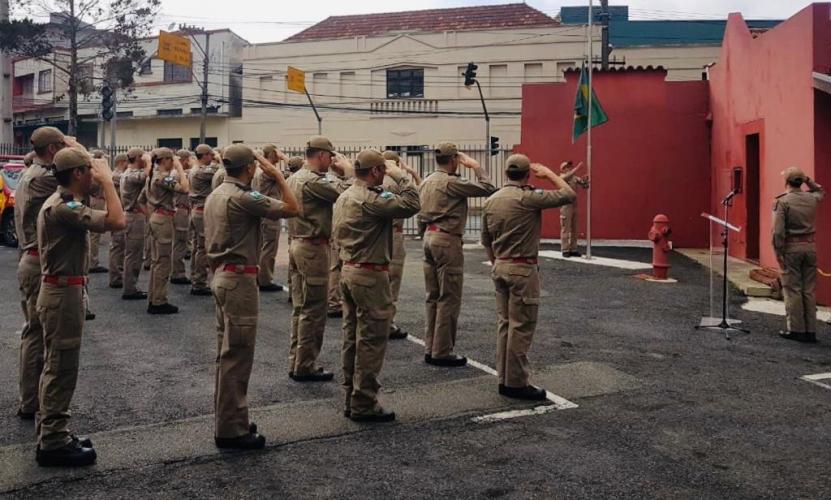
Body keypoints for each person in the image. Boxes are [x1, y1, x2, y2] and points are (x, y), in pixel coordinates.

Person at [35, 147, 125, 466]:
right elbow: (117, 220)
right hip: (62, 297)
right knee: (61, 367)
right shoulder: (65, 207)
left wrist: (94, 172)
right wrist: (109, 182)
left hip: (62, 293)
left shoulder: (65, 202)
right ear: (77, 174)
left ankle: (53, 431)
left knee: (57, 366)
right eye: (89, 170)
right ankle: (53, 442)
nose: (94, 174)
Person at [204, 144, 298, 449]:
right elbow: (293, 208)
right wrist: (279, 177)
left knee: (227, 354)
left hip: (222, 275)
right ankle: (232, 430)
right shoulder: (244, 197)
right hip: (238, 281)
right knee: (238, 356)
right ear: (249, 168)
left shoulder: (216, 193)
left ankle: (230, 419)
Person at [333, 150, 420, 422]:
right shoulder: (372, 198)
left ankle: (351, 395)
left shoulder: (345, 195)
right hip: (369, 276)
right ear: (374, 172)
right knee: (371, 340)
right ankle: (364, 402)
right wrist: (400, 174)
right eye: (382, 169)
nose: (385, 173)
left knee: (351, 337)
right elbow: (412, 204)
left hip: (349, 270)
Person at [481, 155, 576, 400]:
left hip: (500, 265)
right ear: (527, 175)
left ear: (506, 173)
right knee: (521, 326)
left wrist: (496, 263)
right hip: (522, 268)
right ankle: (516, 382)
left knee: (505, 324)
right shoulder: (528, 197)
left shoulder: (492, 200)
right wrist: (550, 174)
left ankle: (504, 378)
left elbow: (486, 240)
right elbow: (569, 195)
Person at [418, 143, 496, 367]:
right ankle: (442, 351)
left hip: (428, 237)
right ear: (453, 160)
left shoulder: (426, 180)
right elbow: (487, 187)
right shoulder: (452, 183)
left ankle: (430, 346)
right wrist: (476, 166)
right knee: (449, 297)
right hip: (446, 239)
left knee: (432, 296)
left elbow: (420, 213)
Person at [286, 136, 352, 382]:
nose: (331, 161)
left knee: (300, 308)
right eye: (330, 156)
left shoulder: (295, 178)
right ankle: (306, 365)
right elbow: (348, 195)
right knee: (314, 309)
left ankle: (297, 361)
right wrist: (348, 173)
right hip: (312, 248)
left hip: (297, 243)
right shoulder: (312, 180)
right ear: (322, 155)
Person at [13, 126, 65, 421]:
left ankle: (30, 399)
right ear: (53, 149)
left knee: (34, 331)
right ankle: (32, 401)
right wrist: (72, 145)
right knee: (37, 333)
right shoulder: (43, 178)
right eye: (62, 145)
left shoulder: (30, 173)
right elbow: (91, 181)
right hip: (38, 262)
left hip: (29, 259)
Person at [773, 167, 824, 343]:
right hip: (810, 247)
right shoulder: (811, 198)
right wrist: (807, 179)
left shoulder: (783, 202)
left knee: (792, 289)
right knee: (808, 290)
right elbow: (820, 190)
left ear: (786, 182)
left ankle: (796, 329)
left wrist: (778, 253)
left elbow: (778, 232)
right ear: (801, 182)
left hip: (792, 248)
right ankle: (811, 330)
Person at [382, 150, 422, 339]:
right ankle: (387, 324)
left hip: (377, 235)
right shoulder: (397, 182)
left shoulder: (377, 181)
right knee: (392, 282)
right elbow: (418, 199)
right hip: (394, 235)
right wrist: (411, 174)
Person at [146, 148, 190, 314]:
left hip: (158, 217)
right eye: (172, 159)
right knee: (163, 262)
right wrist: (180, 168)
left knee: (158, 262)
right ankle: (158, 301)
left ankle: (154, 298)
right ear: (165, 160)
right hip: (163, 220)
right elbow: (185, 188)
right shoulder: (162, 177)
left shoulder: (154, 175)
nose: (173, 162)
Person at [254, 144, 289, 292]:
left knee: (264, 246)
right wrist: (286, 159)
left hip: (264, 212)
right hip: (270, 213)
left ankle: (261, 277)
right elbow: (288, 173)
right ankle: (265, 280)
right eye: (277, 152)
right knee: (269, 248)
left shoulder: (261, 170)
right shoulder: (267, 171)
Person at [120, 148, 151, 300]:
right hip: (134, 216)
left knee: (133, 254)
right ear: (138, 158)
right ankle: (130, 289)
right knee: (134, 254)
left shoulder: (127, 172)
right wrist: (148, 161)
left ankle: (130, 286)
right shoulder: (132, 175)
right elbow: (147, 175)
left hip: (132, 215)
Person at [188, 144, 219, 296]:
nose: (212, 157)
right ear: (204, 155)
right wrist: (220, 159)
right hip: (201, 212)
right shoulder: (201, 171)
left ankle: (196, 277)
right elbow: (221, 172)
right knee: (203, 248)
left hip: (197, 210)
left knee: (197, 246)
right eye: (210, 155)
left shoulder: (195, 169)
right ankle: (199, 282)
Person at [170, 149, 194, 285]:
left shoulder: (178, 173)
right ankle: (177, 273)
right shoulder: (177, 174)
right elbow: (185, 188)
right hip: (180, 210)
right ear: (184, 160)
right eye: (189, 159)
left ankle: (176, 271)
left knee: (179, 242)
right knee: (180, 242)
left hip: (180, 210)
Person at [559, 161, 588, 258]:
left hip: (574, 205)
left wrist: (585, 180)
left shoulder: (575, 178)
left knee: (575, 229)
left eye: (570, 167)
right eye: (567, 167)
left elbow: (584, 186)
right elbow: (567, 177)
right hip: (566, 205)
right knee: (565, 229)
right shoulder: (561, 177)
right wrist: (577, 168)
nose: (570, 168)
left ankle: (573, 249)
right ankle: (565, 249)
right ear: (563, 169)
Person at [108, 153, 128, 289]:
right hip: (117, 211)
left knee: (119, 245)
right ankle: (116, 276)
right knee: (117, 244)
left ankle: (117, 274)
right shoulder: (117, 176)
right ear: (121, 162)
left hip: (119, 210)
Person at [86, 150, 108, 274]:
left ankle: (92, 260)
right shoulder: (95, 173)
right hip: (97, 200)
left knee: (95, 235)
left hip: (97, 199)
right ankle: (92, 262)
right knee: (94, 234)